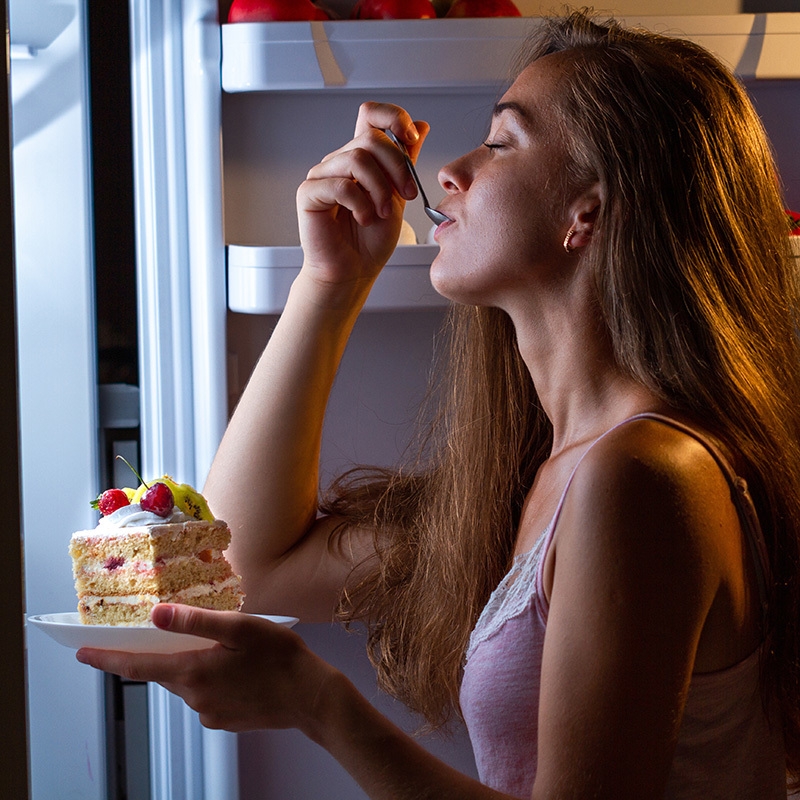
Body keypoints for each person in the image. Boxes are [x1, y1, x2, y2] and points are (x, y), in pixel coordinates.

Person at [77, 10, 800, 799]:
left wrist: (320, 705)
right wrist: (330, 282)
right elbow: (245, 565)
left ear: (586, 211)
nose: (451, 171)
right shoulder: (545, 478)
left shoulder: (647, 477)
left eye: (499, 143)